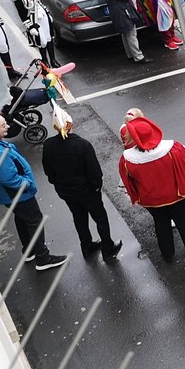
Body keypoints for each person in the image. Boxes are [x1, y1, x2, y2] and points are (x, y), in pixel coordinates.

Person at [0, 113, 68, 271]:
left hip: (8, 195)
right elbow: (9, 179)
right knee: (35, 221)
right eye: (3, 125)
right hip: (17, 193)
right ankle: (43, 258)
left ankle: (29, 250)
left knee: (22, 218)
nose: (8, 127)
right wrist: (28, 184)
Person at [119, 115, 185, 263]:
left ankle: (167, 253)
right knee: (182, 220)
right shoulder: (173, 148)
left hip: (151, 200)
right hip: (176, 195)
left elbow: (128, 182)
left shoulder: (127, 159)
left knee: (160, 223)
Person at [41, 105, 122, 261]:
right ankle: (108, 248)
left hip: (66, 191)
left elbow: (48, 171)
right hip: (87, 191)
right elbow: (94, 172)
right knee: (100, 218)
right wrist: (96, 186)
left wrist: (58, 184)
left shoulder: (48, 145)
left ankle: (87, 246)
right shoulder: (82, 145)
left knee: (79, 217)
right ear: (71, 125)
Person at [95, 0, 151, 65]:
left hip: (119, 12)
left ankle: (131, 54)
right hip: (122, 12)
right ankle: (138, 57)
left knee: (126, 34)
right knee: (131, 34)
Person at [8, 0, 58, 68]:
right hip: (34, 20)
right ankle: (45, 63)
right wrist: (30, 27)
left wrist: (47, 14)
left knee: (49, 38)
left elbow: (38, 2)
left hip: (43, 15)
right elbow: (21, 13)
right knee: (41, 41)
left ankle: (53, 60)